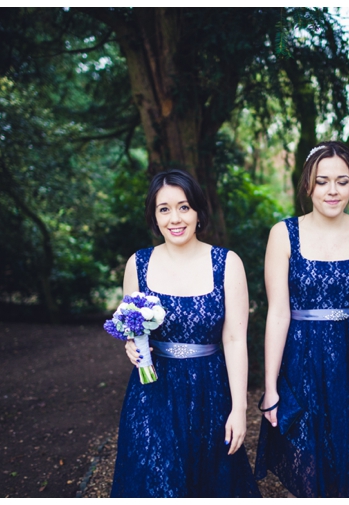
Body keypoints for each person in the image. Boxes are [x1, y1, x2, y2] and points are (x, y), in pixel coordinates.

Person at [254, 141, 349, 497]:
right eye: (322, 181)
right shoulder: (283, 234)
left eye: (342, 181)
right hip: (301, 362)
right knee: (308, 469)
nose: (332, 191)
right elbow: (277, 313)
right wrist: (270, 387)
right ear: (308, 185)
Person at [110, 169, 260, 498]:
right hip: (152, 395)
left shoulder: (227, 263)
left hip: (210, 393)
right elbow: (131, 327)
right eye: (164, 209)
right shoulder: (139, 264)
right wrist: (130, 345)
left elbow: (235, 341)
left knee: (210, 483)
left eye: (184, 207)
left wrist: (239, 409)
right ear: (154, 215)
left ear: (198, 212)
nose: (175, 218)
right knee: (156, 483)